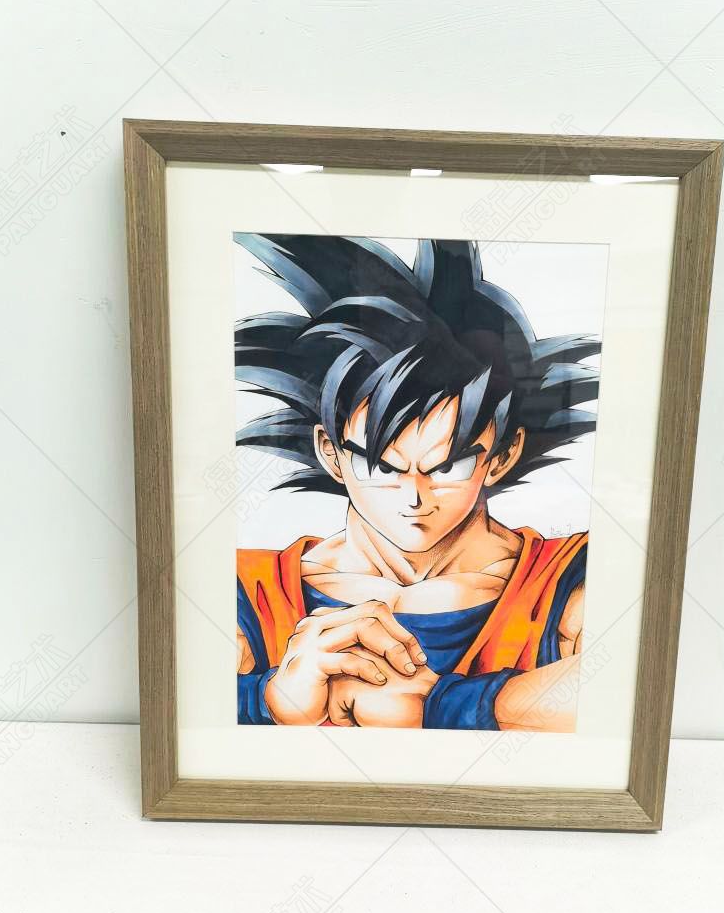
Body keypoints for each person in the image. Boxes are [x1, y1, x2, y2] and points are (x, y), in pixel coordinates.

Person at [233, 234, 599, 731]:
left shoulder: (571, 575)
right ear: (331, 452)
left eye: (446, 467)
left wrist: (438, 703)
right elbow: (182, 703)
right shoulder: (248, 586)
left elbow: (628, 692)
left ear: (502, 455)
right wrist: (269, 697)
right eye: (382, 467)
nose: (414, 497)